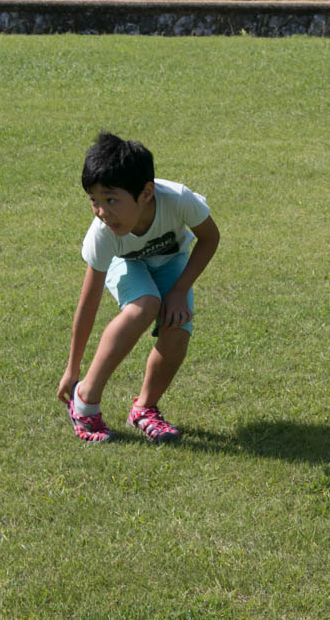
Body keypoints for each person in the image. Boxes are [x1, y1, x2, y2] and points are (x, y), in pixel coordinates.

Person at [56, 132, 220, 443]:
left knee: (178, 324)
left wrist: (178, 291)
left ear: (145, 193)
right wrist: (72, 369)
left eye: (111, 199)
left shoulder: (178, 199)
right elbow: (87, 303)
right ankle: (85, 400)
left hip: (172, 261)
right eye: (94, 200)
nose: (102, 212)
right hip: (126, 262)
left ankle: (144, 410)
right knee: (143, 305)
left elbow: (210, 238)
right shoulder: (104, 234)